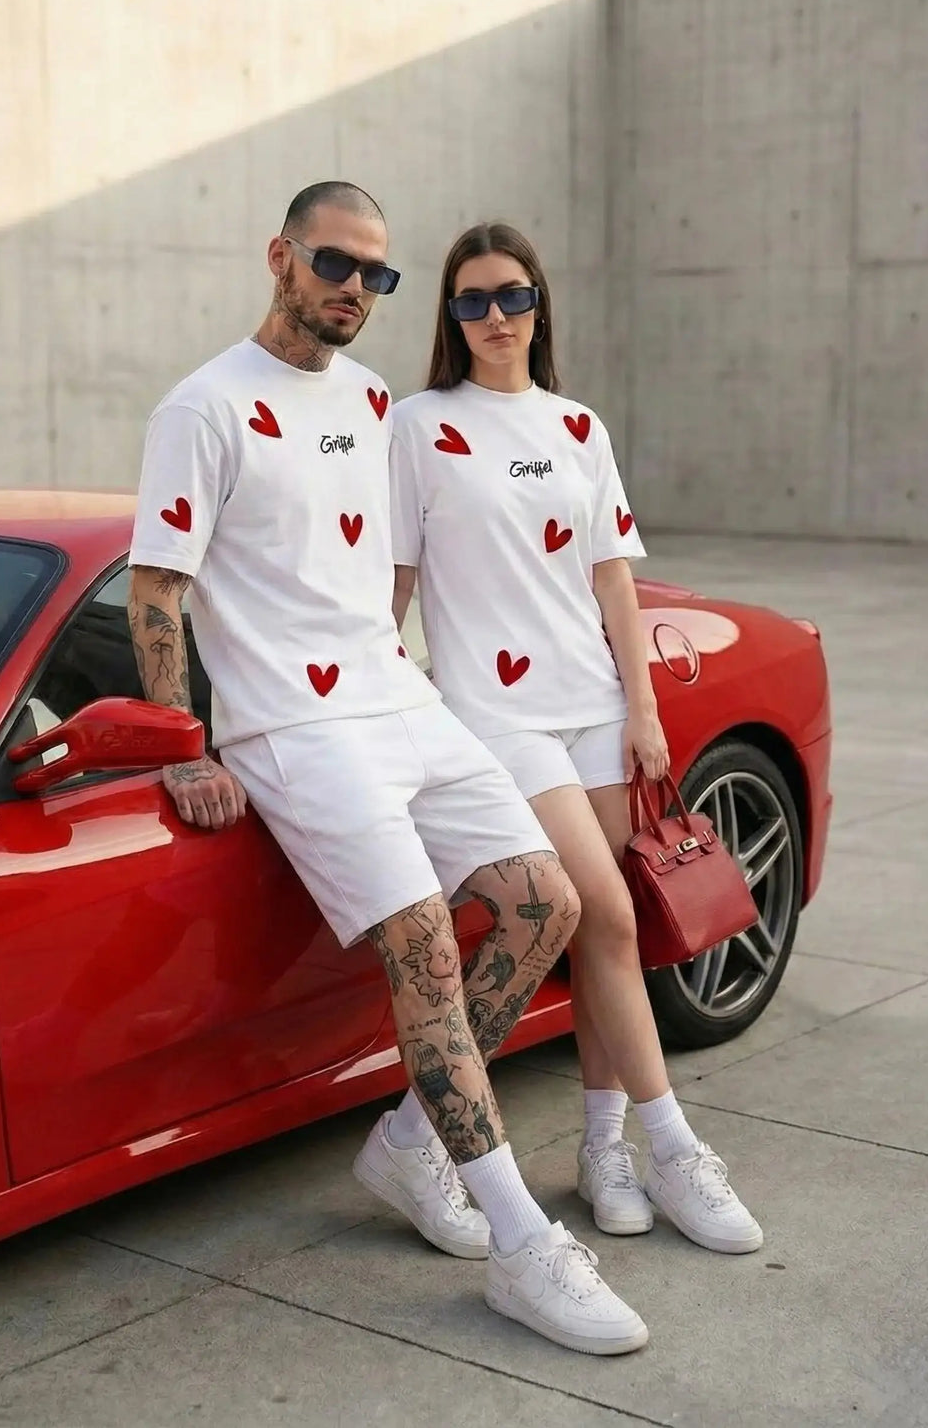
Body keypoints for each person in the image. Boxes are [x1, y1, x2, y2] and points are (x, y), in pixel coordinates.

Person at [126, 183, 649, 1355]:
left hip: (397, 696)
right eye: (334, 263)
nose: (354, 288)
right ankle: (524, 1244)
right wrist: (181, 743)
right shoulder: (201, 407)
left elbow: (405, 562)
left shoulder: (373, 401)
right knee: (420, 935)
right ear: (280, 257)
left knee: (547, 904)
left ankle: (414, 1146)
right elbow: (157, 584)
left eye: (376, 273)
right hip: (292, 729)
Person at [386, 221, 763, 1257]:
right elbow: (399, 579)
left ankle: (603, 1154)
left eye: (510, 295)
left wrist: (642, 708)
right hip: (495, 709)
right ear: (450, 316)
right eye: (471, 300)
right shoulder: (416, 425)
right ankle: (674, 1144)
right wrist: (376, 684)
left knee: (618, 927)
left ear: (539, 302)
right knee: (597, 907)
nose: (494, 316)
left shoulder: (580, 426)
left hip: (593, 696)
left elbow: (612, 578)